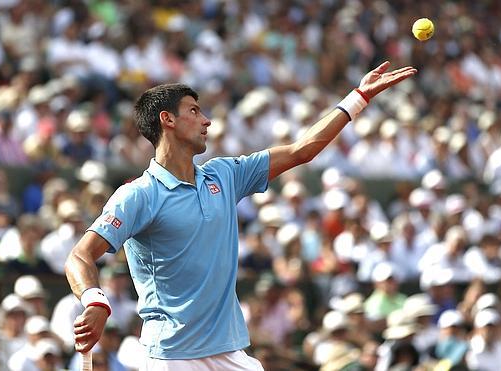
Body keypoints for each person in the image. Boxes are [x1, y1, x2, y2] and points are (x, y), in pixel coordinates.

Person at [65, 61, 417, 370]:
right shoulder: (138, 195)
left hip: (230, 349)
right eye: (194, 111)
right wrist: (95, 301)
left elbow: (301, 150)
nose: (207, 121)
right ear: (167, 119)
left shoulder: (224, 174)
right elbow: (80, 256)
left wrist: (358, 98)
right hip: (173, 354)